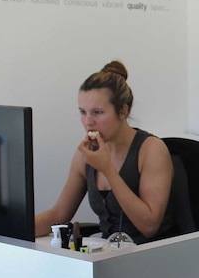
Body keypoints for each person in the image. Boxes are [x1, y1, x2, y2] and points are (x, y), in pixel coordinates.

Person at [35, 61, 176, 245]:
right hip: (108, 256)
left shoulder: (151, 150)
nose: (88, 122)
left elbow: (149, 226)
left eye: (98, 112)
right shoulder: (85, 155)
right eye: (83, 112)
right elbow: (60, 214)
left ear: (123, 111)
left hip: (151, 255)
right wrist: (12, 229)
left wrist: (108, 170)